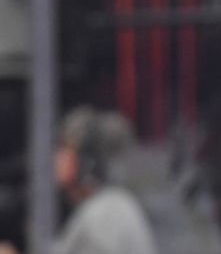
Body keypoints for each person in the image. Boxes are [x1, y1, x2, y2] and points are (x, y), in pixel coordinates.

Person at [0, 107, 158, 254]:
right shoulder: (109, 205)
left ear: (87, 161)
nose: (56, 158)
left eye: (64, 149)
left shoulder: (106, 213)